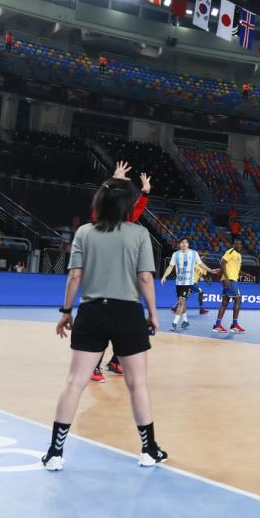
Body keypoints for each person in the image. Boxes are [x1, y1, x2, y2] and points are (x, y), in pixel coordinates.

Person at [40, 176, 166, 470]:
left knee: (74, 383)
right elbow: (145, 277)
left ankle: (55, 454)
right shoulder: (139, 234)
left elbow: (74, 276)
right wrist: (154, 313)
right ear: (127, 204)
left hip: (92, 312)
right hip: (128, 314)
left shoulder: (84, 232)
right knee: (138, 384)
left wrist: (66, 311)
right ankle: (149, 450)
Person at [91, 161, 153, 381]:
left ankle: (116, 361)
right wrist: (113, 180)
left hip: (125, 284)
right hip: (103, 285)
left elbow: (136, 210)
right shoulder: (99, 222)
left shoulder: (128, 222)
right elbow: (100, 204)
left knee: (127, 327)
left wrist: (144, 193)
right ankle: (93, 366)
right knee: (102, 328)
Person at [160, 238, 215, 331]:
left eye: (186, 242)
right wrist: (164, 276)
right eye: (182, 242)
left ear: (188, 244)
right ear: (179, 245)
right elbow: (170, 267)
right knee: (182, 303)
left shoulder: (194, 253)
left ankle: (175, 323)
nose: (184, 244)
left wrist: (210, 270)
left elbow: (201, 264)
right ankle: (185, 321)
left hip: (189, 282)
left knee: (181, 302)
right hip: (179, 282)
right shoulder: (175, 254)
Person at [212, 237, 245, 334]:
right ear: (234, 245)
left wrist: (247, 275)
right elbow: (222, 263)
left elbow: (237, 270)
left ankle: (217, 325)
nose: (238, 245)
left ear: (241, 245)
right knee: (238, 300)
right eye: (236, 243)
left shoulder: (239, 255)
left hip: (231, 279)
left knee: (225, 303)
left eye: (239, 244)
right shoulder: (230, 252)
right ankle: (234, 325)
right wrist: (226, 278)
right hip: (229, 280)